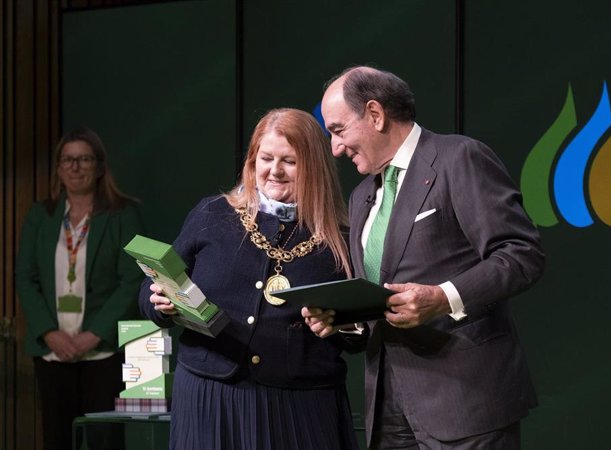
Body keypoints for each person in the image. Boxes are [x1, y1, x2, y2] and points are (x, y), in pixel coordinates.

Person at [302, 66, 546, 449]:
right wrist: (343, 321)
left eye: (338, 130)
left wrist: (442, 299)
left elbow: (521, 253)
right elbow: (381, 297)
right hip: (388, 411)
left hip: (466, 403)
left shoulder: (458, 158)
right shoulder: (362, 194)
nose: (335, 149)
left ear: (376, 114)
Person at [140, 108, 363, 450]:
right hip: (209, 394)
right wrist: (158, 302)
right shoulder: (212, 214)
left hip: (300, 404)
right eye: (266, 158)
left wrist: (340, 325)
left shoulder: (343, 238)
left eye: (289, 161)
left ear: (315, 167)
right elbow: (152, 285)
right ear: (252, 161)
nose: (275, 170)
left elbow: (360, 331)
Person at [15, 127, 145, 450]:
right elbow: (24, 277)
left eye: (84, 159)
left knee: (105, 442)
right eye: (68, 160)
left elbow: (132, 279)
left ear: (99, 167)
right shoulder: (40, 216)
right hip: (52, 354)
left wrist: (95, 334)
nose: (75, 167)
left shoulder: (123, 216)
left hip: (102, 353)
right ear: (59, 169)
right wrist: (48, 332)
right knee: (56, 440)